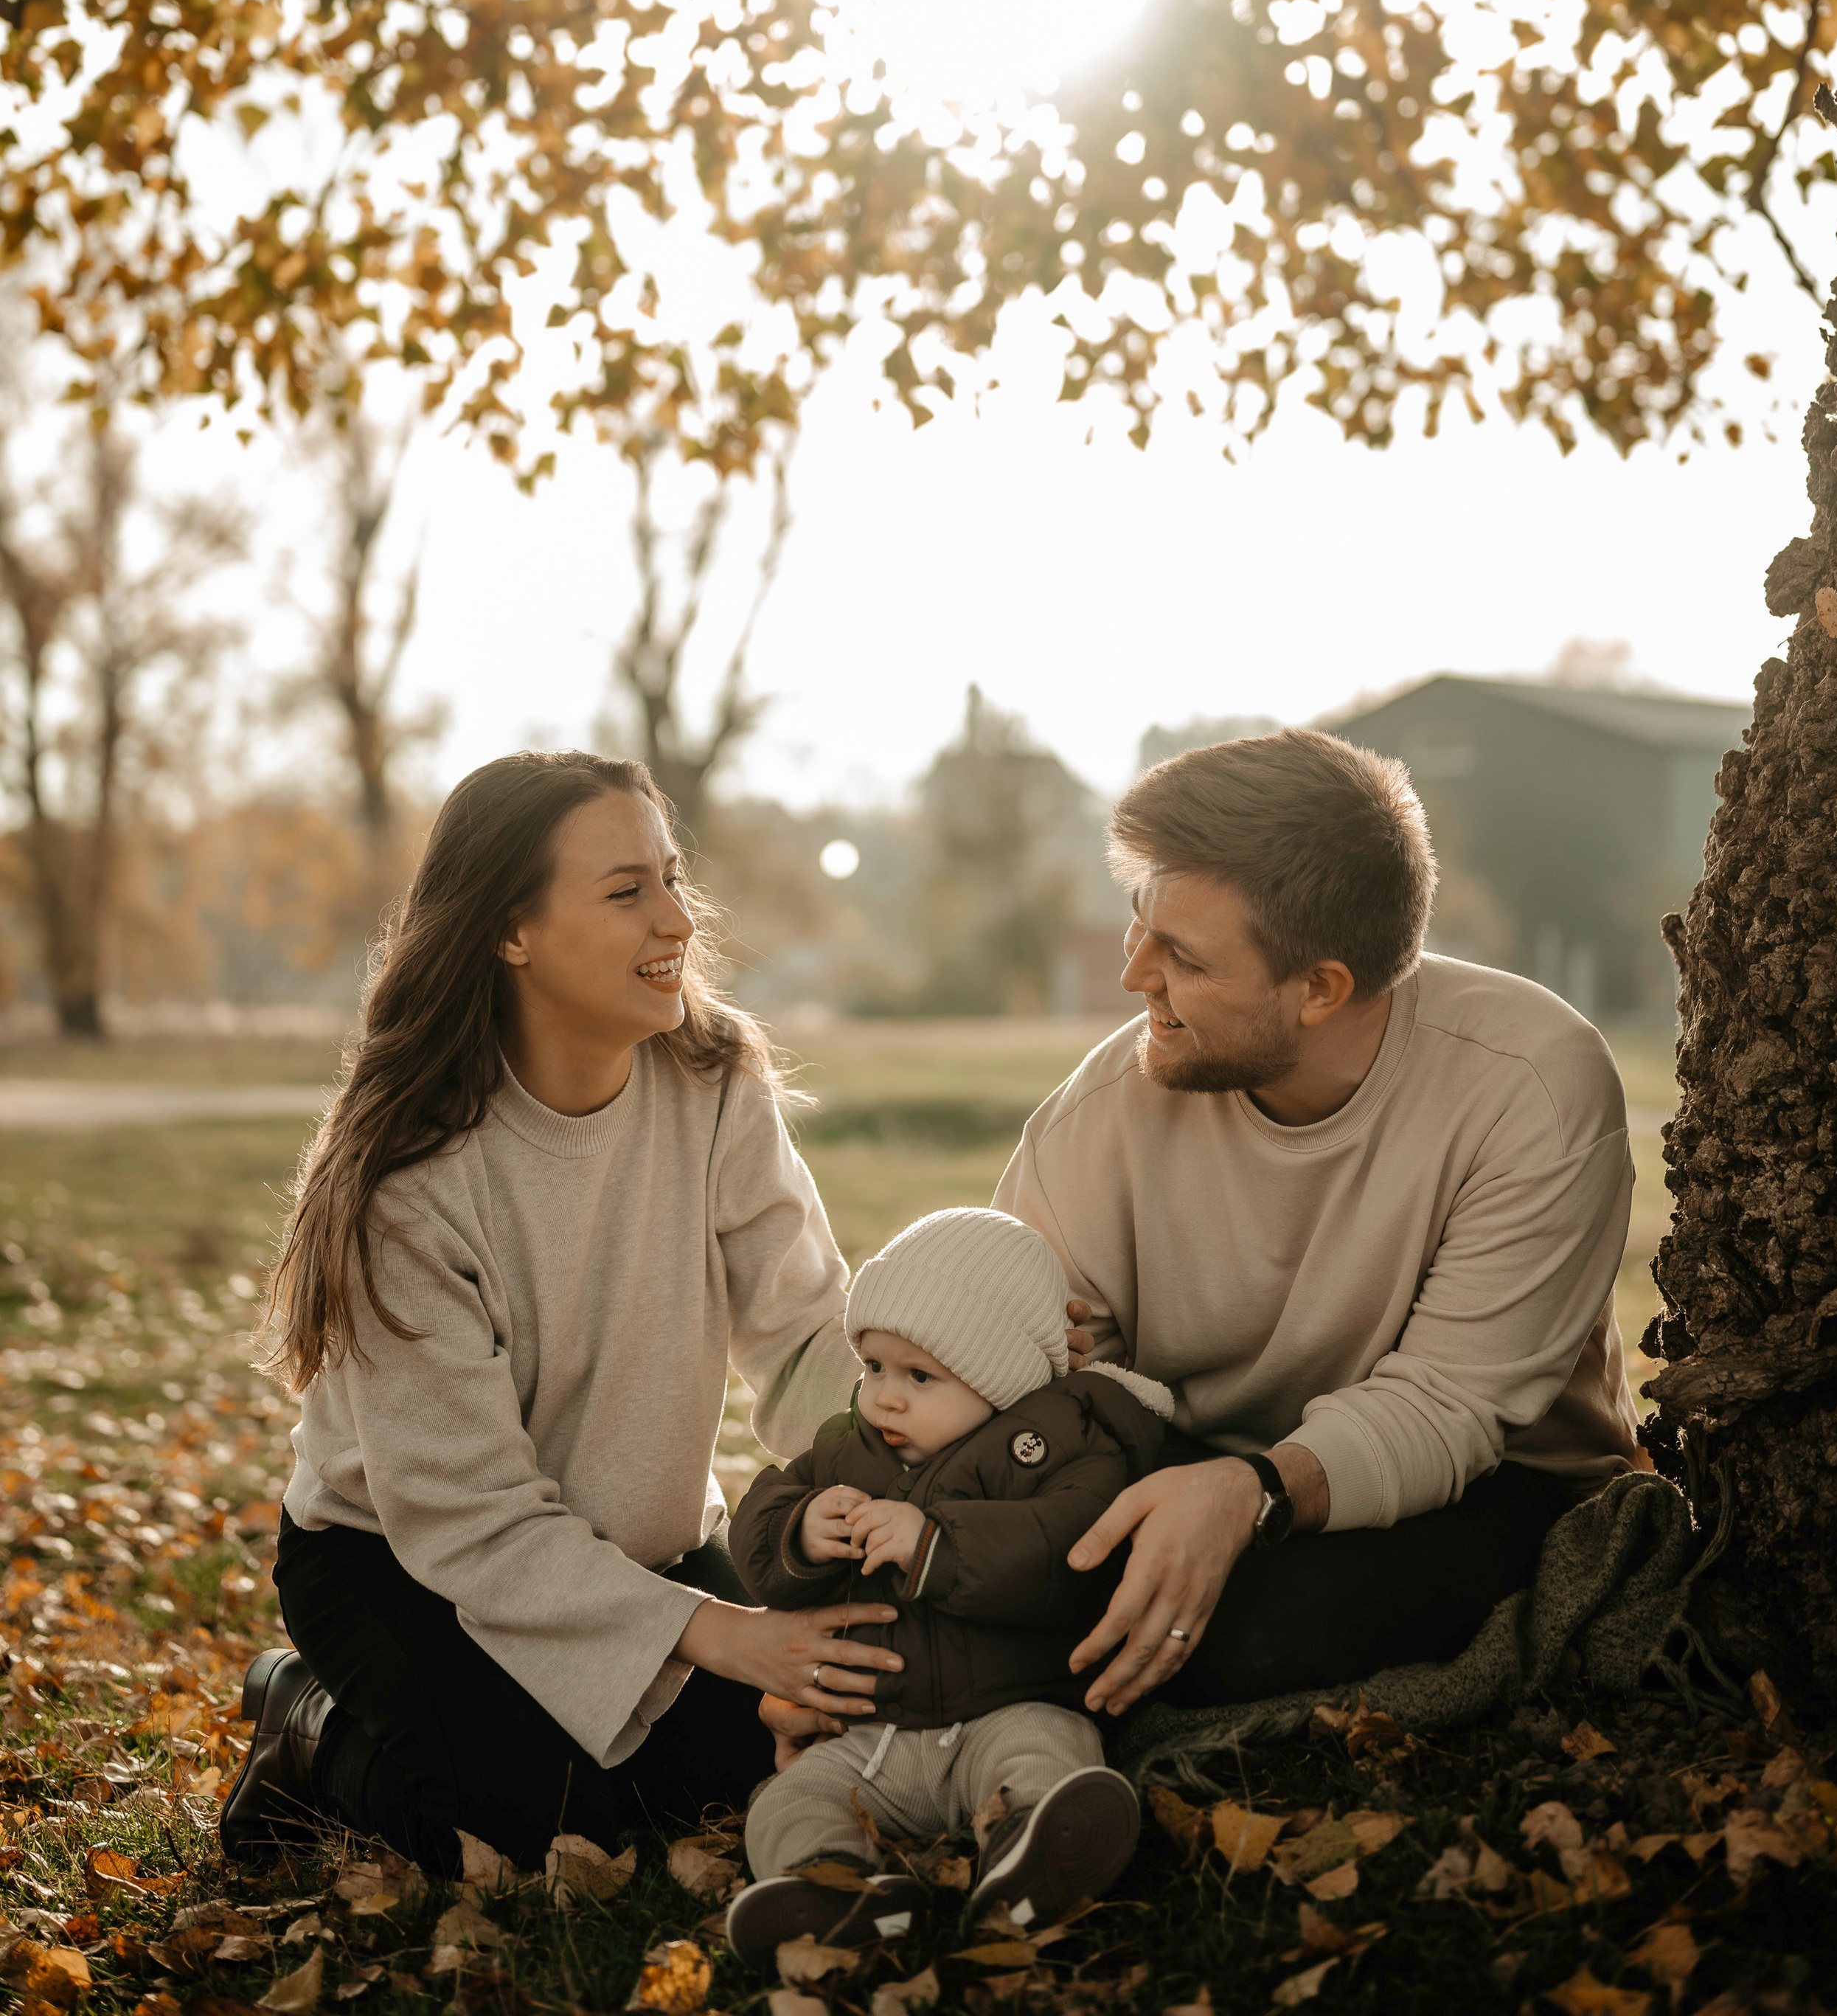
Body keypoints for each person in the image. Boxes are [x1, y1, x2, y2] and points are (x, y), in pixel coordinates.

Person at [221, 750, 905, 1873]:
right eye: (626, 891)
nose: (677, 919)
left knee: (764, 1759)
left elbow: (803, 1342)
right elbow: (474, 1523)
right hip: (403, 1562)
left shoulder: (715, 1084)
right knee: (533, 1826)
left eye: (673, 878)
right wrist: (733, 1638)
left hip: (643, 1548)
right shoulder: (413, 1178)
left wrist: (920, 1464)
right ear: (510, 931)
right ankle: (310, 1724)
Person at [996, 727, 1643, 1720]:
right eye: (1139, 921)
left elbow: (1449, 1407)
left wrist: (1249, 1495)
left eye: (1183, 956)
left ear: (1321, 989)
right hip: (1197, 1458)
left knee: (1261, 1639)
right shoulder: (1099, 1117)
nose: (1133, 977)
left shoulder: (1530, 1084)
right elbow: (1050, 1378)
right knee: (1023, 1578)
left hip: (1496, 1476)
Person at [723, 1208, 1165, 1970]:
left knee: (1049, 1753)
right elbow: (758, 1539)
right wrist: (798, 1531)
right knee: (790, 1800)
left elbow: (1067, 1551)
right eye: (873, 1368)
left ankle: (1030, 1852)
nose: (885, 1398)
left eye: (920, 1376)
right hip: (873, 1739)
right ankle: (838, 1888)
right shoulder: (846, 1451)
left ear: (999, 1375)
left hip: (1005, 1708)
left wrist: (940, 1549)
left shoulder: (1053, 1449)